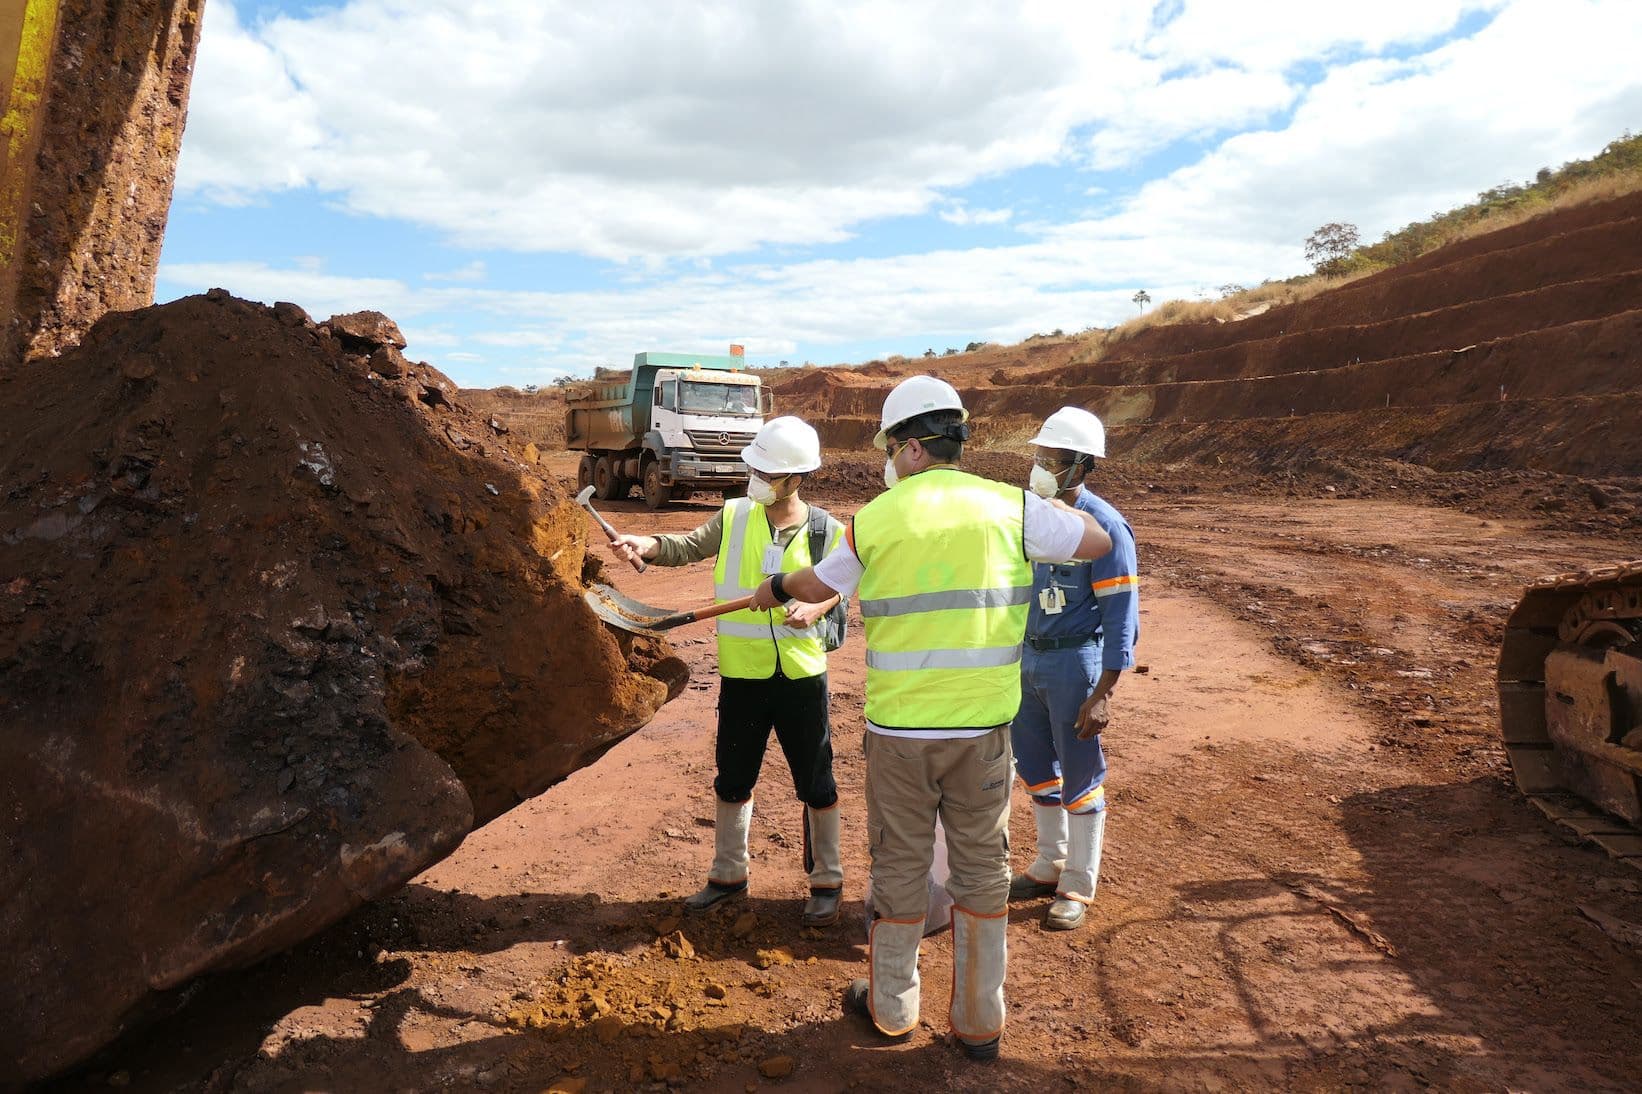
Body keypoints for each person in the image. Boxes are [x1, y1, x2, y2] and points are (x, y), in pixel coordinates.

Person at [748, 377, 1112, 1061]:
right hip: (981, 737)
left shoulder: (878, 518)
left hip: (900, 738)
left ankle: (891, 1010)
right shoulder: (1010, 507)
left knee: (901, 870)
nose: (889, 458)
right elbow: (1094, 540)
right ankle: (979, 1026)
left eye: (891, 446)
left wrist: (771, 588)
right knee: (980, 873)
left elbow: (816, 586)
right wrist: (1048, 506)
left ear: (910, 446)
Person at [607, 416, 848, 927]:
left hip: (802, 677)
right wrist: (643, 543)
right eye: (753, 467)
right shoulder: (735, 514)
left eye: (766, 470)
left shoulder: (828, 528)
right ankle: (727, 873)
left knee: (816, 780)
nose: (754, 477)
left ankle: (827, 880)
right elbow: (685, 546)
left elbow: (842, 585)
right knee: (733, 776)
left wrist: (817, 608)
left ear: (796, 478)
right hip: (744, 678)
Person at [1008, 407, 1139, 931]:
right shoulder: (1031, 517)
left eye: (1052, 459)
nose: (1040, 466)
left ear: (1081, 467)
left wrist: (1104, 690)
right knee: (1035, 767)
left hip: (1075, 662)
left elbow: (1120, 613)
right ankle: (1049, 863)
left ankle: (1079, 883)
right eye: (1039, 455)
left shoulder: (1105, 528)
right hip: (1028, 657)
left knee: (1080, 776)